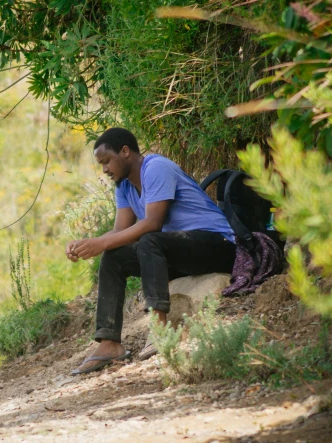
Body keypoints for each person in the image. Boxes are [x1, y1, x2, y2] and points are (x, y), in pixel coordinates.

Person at [66, 127, 236, 375]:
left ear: (125, 152)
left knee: (149, 239)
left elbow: (153, 223)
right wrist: (86, 243)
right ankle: (109, 343)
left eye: (106, 162)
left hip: (217, 244)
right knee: (115, 256)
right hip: (182, 251)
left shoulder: (156, 167)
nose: (104, 169)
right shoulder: (123, 186)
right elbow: (119, 232)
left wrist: (101, 243)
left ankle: (159, 329)